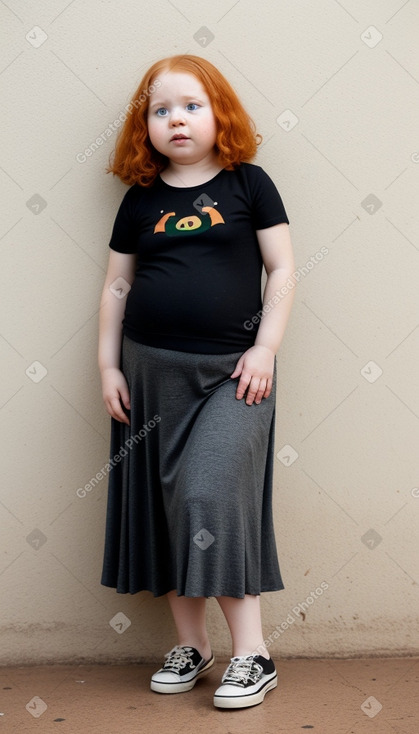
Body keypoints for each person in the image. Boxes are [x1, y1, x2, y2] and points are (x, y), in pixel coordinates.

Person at [98, 54, 296, 710]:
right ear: (144, 127)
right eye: (160, 110)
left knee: (208, 499)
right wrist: (106, 366)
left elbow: (284, 272)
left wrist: (265, 347)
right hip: (150, 374)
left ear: (221, 115)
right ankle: (193, 646)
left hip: (233, 376)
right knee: (165, 507)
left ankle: (253, 653)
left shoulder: (249, 185)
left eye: (190, 106)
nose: (175, 119)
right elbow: (115, 286)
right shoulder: (141, 200)